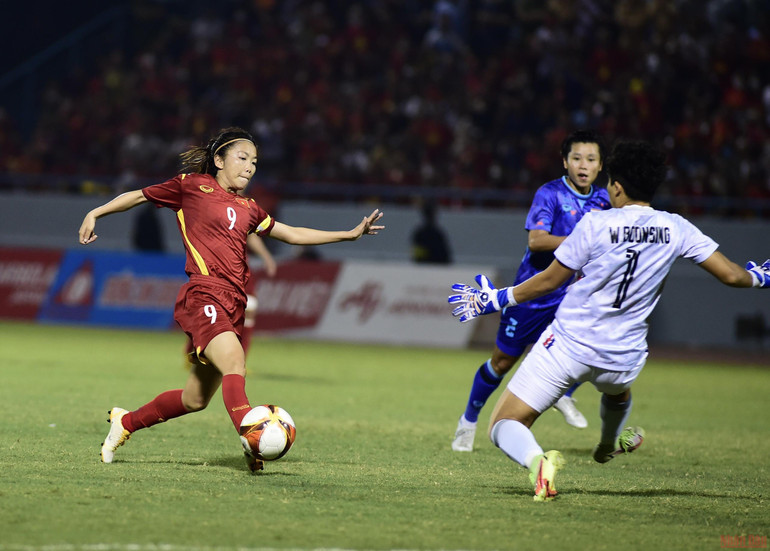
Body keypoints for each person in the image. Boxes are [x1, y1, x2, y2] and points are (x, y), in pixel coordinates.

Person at [448, 140, 770, 501]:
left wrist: (497, 298)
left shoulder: (595, 223)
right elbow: (731, 275)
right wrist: (760, 277)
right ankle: (604, 446)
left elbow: (551, 280)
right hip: (623, 357)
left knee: (504, 424)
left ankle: (538, 462)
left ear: (616, 186)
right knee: (619, 394)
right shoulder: (676, 227)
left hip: (567, 348)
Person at [78, 127, 384, 472]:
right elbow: (138, 196)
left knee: (194, 399)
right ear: (219, 160)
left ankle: (126, 422)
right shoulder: (191, 186)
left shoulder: (249, 208)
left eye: (255, 161)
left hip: (233, 303)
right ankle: (253, 444)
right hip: (204, 293)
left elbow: (292, 234)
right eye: (242, 158)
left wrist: (347, 234)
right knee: (235, 363)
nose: (250, 167)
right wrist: (96, 212)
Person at [451, 130, 610, 453]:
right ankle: (467, 422)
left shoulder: (605, 200)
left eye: (591, 159)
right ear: (565, 162)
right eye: (577, 158)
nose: (583, 165)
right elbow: (536, 241)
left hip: (572, 295)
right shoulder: (550, 194)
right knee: (502, 362)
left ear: (600, 165)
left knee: (595, 348)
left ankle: (564, 394)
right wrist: (584, 243)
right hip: (533, 293)